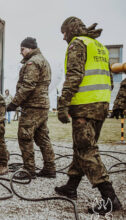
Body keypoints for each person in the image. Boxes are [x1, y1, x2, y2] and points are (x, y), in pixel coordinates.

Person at [55, 17, 122, 215]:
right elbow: (110, 79)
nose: (64, 38)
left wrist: (63, 104)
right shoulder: (98, 46)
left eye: (64, 33)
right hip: (100, 105)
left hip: (85, 105)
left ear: (71, 30)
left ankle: (110, 200)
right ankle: (71, 186)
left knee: (86, 150)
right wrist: (104, 101)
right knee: (81, 147)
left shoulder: (78, 44)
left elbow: (74, 75)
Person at [6, 37, 56, 180]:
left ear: (30, 48)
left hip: (33, 106)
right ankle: (50, 168)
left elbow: (28, 85)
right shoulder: (44, 60)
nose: (21, 52)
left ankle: (29, 169)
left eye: (22, 49)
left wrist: (14, 103)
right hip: (42, 105)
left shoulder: (33, 62)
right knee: (42, 137)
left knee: (25, 136)